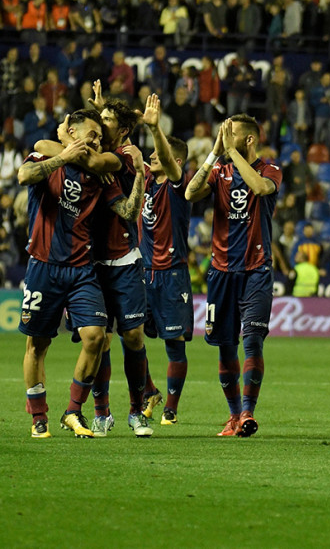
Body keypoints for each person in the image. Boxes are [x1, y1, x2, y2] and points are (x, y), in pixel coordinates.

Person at [36, 82, 154, 437]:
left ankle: (137, 411)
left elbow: (129, 210)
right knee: (98, 339)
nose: (98, 130)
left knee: (132, 335)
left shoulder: (120, 157)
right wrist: (69, 140)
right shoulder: (90, 160)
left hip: (122, 260)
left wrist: (141, 180)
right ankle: (100, 412)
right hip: (87, 262)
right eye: (96, 123)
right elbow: (44, 146)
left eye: (105, 123)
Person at [185, 114, 282, 438]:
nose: (225, 136)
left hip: (256, 269)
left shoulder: (270, 170)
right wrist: (215, 153)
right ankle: (233, 415)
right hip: (221, 271)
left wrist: (233, 152)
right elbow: (190, 193)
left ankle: (248, 414)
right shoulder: (219, 171)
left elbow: (259, 188)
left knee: (252, 341)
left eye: (232, 133)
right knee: (226, 347)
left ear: (249, 139)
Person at [140, 93, 195, 425]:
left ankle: (171, 408)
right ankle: (149, 390)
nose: (151, 157)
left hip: (172, 273)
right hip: (143, 272)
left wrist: (155, 128)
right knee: (129, 334)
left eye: (157, 155)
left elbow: (167, 161)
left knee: (174, 344)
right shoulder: (146, 180)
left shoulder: (180, 185)